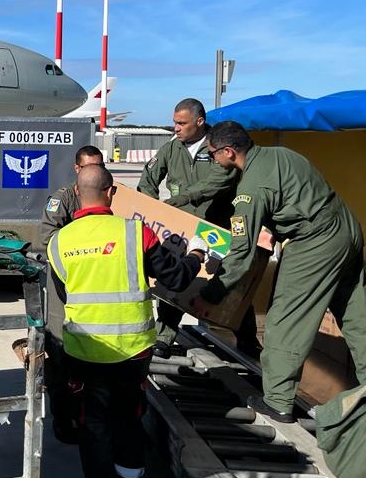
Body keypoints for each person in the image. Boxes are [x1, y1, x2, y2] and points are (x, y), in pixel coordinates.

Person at [192, 121, 366, 424]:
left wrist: (211, 294)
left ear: (229, 152)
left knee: (286, 320)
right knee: (355, 315)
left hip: (315, 242)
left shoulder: (250, 191)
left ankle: (278, 401)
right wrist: (273, 226)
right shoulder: (282, 154)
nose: (214, 161)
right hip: (346, 229)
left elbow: (241, 253)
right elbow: (295, 194)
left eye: (212, 155)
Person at [48, 164, 204, 478]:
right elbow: (174, 279)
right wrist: (197, 256)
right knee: (129, 417)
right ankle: (130, 474)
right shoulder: (136, 233)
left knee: (93, 420)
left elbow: (65, 293)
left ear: (77, 193)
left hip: (84, 350)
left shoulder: (58, 243)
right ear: (112, 192)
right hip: (132, 352)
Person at [136, 98, 253, 358]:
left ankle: (247, 340)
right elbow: (149, 178)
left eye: (181, 123)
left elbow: (218, 182)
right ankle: (164, 336)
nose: (175, 128)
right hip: (182, 228)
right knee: (174, 282)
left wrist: (178, 200)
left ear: (199, 122)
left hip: (217, 226)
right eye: (174, 122)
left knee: (231, 281)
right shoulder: (171, 148)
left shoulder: (218, 147)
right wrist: (150, 209)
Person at [38, 144, 104, 444]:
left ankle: (88, 416)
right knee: (60, 357)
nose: (95, 169)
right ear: (77, 169)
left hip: (94, 288)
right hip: (64, 288)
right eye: (90, 165)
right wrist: (83, 248)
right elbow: (47, 238)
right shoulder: (62, 199)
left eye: (99, 164)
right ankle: (63, 420)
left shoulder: (105, 192)